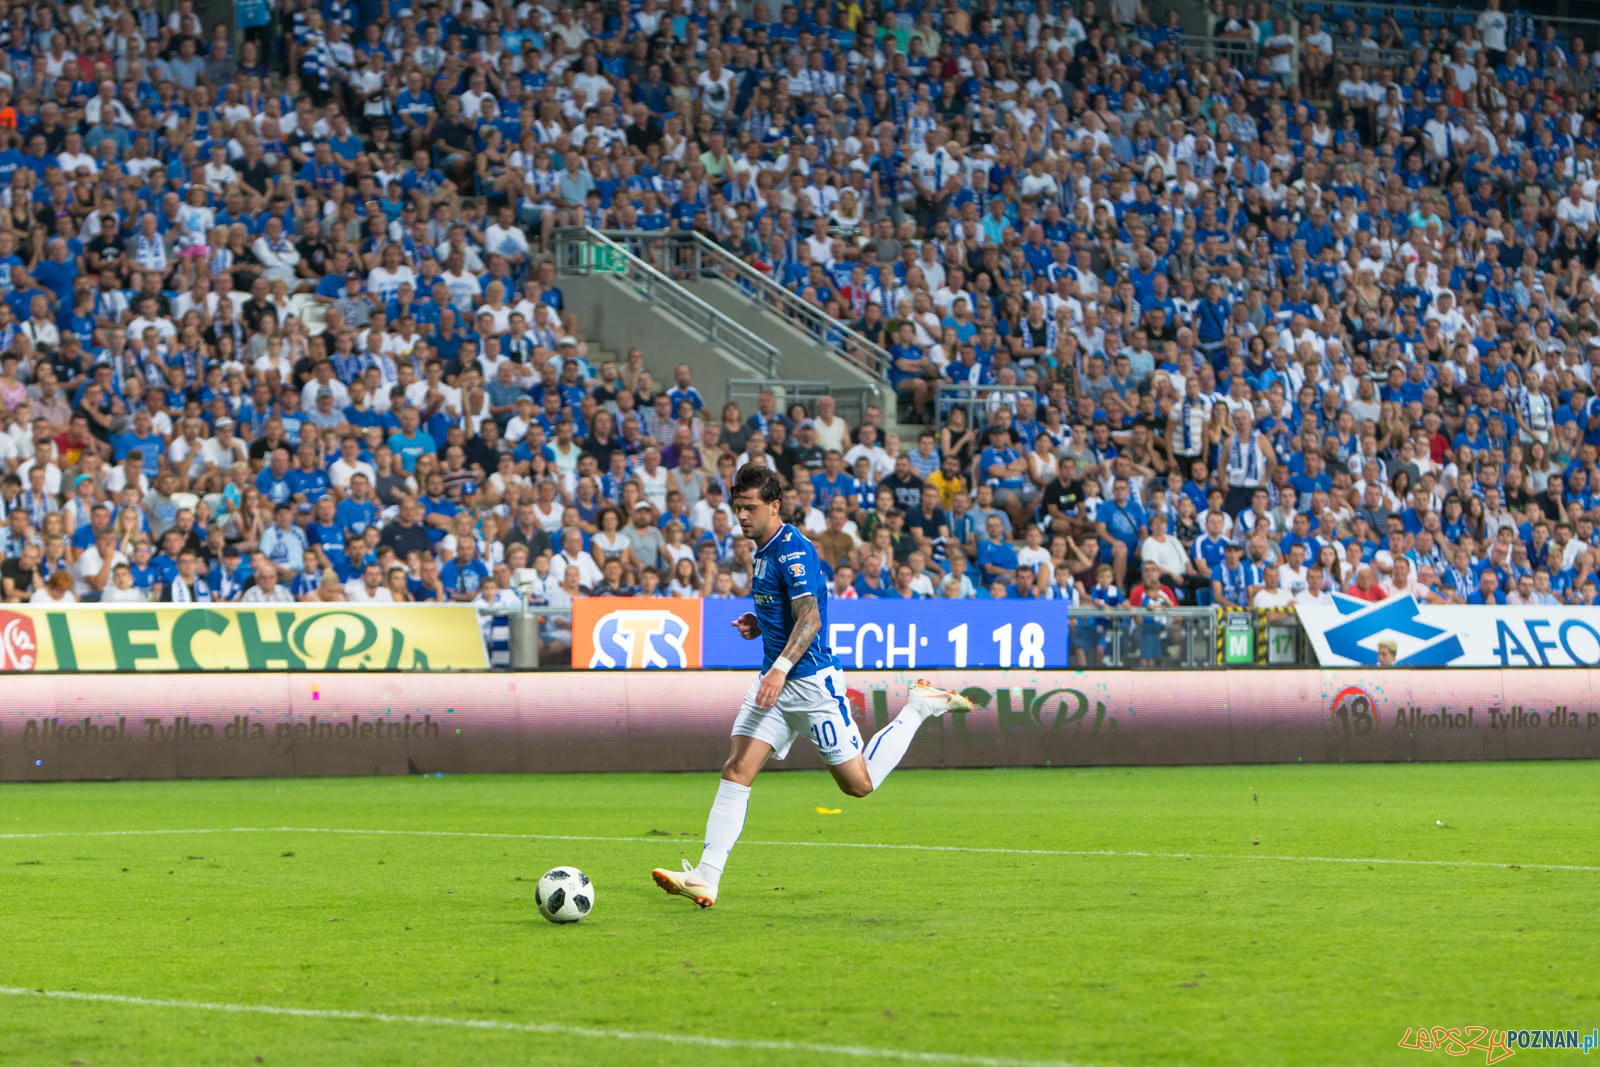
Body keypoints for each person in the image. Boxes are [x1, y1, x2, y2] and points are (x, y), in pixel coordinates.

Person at [651, 464, 972, 909]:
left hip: (809, 686)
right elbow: (786, 613)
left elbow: (811, 617)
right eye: (737, 507)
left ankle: (918, 707)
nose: (741, 516)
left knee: (858, 785)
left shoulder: (792, 551)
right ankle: (707, 876)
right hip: (775, 682)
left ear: (774, 506)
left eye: (750, 507)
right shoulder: (760, 549)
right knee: (736, 770)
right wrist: (759, 625)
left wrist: (781, 666)